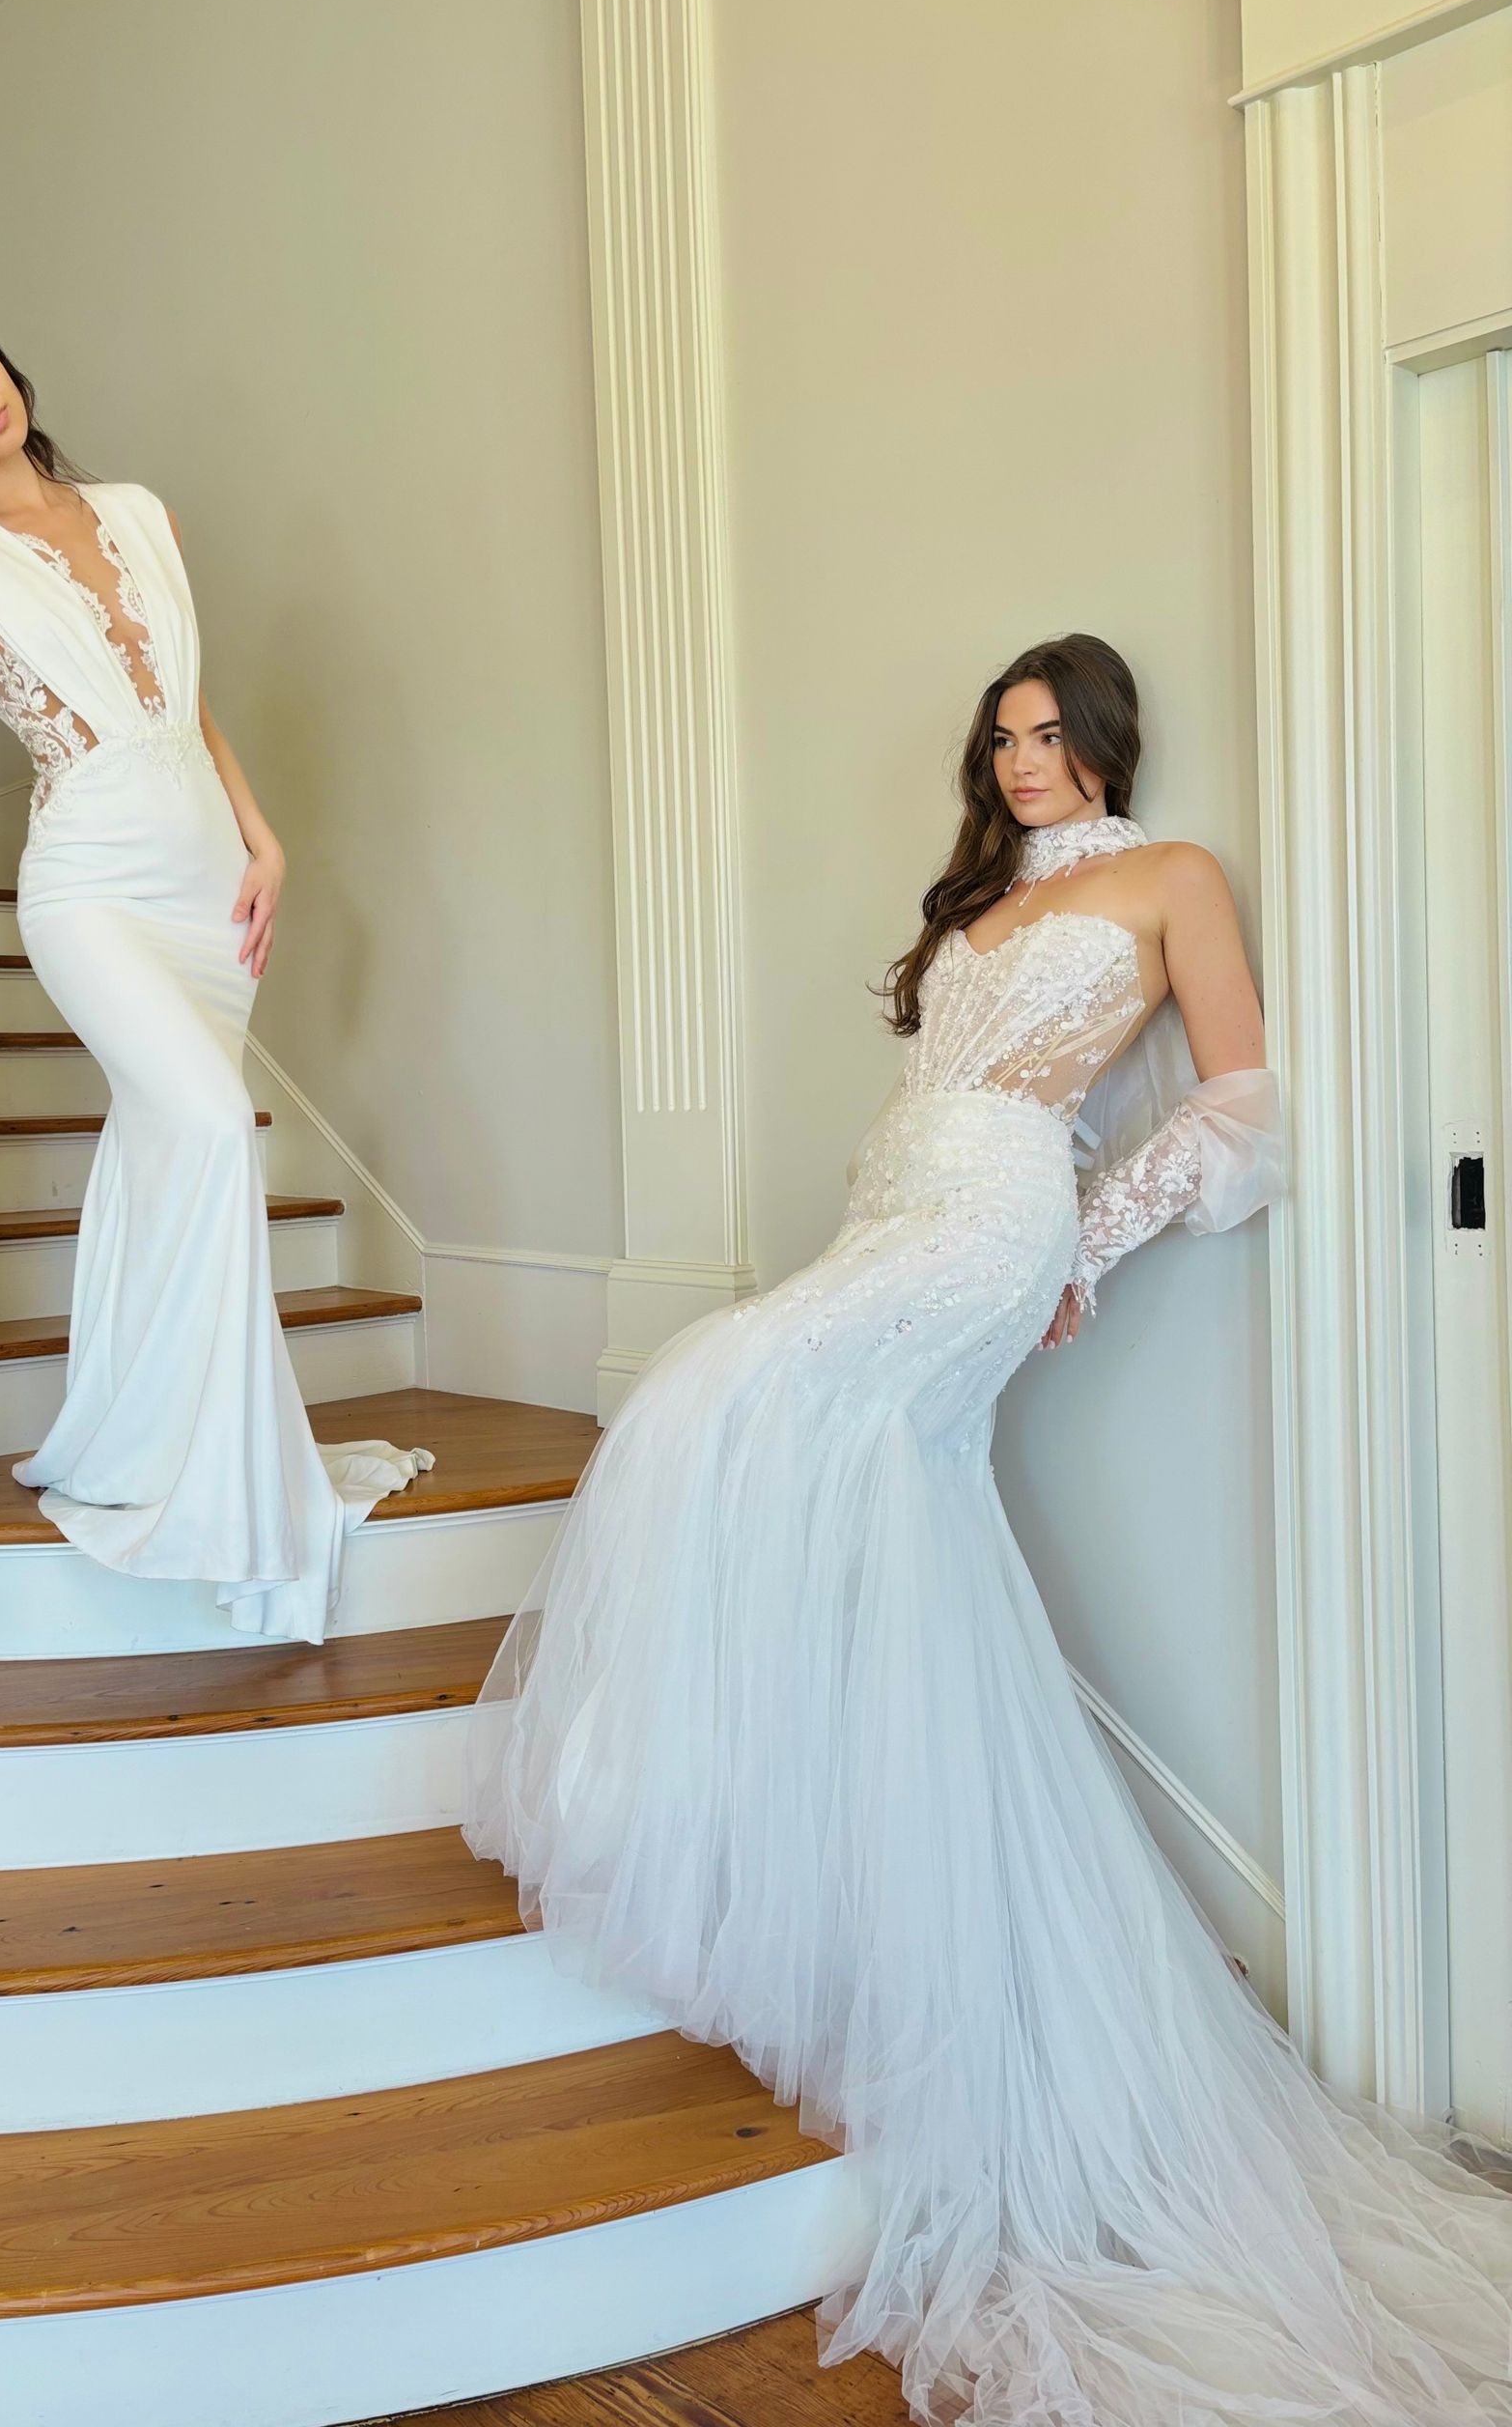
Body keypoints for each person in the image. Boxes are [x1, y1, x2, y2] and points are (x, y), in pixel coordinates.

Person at [462, 634, 1512, 2424]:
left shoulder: (1172, 877)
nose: (1023, 761)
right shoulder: (980, 900)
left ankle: (724, 1830)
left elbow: (1245, 1101)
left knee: (708, 1398)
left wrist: (1085, 1245)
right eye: (1003, 737)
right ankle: (847, 1890)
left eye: (1049, 734)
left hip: (999, 1225)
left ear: (1104, 741)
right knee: (845, 1503)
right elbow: (927, 1092)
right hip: (895, 1208)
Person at [0, 288, 430, 1641]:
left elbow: (182, 698)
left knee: (168, 1148)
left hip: (208, 890)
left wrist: (263, 836)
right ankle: (213, 1476)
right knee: (212, 1128)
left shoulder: (142, 514)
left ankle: (132, 1429)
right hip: (91, 889)